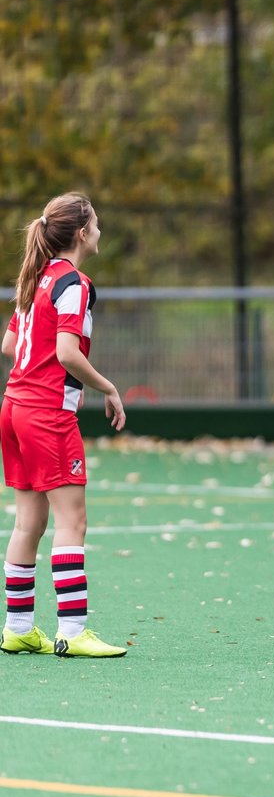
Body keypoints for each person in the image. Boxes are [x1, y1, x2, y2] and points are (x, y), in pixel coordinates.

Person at [1, 193, 128, 658]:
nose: (99, 230)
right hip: (46, 415)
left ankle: (17, 627)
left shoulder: (35, 278)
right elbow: (68, 353)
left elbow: (10, 346)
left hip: (13, 408)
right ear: (81, 232)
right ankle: (72, 631)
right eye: (96, 222)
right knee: (73, 520)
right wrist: (109, 388)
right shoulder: (74, 282)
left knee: (28, 522)